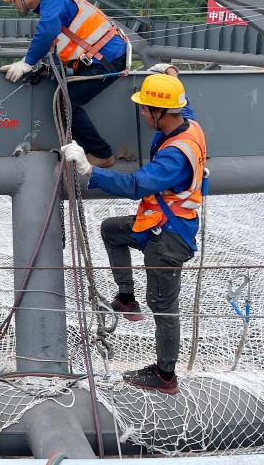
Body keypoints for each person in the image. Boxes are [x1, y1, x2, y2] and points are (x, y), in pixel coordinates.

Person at [61, 73, 207, 394]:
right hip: (155, 224)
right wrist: (170, 76)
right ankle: (126, 298)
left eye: (145, 108)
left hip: (169, 238)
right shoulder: (187, 124)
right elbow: (187, 106)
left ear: (161, 113)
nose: (141, 113)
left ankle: (165, 376)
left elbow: (136, 185)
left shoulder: (175, 154)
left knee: (163, 306)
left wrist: (89, 169)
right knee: (111, 230)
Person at [0, 0, 128, 166]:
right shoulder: (51, 4)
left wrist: (27, 63)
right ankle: (84, 149)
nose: (14, 3)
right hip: (103, 58)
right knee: (64, 99)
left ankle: (102, 154)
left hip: (107, 59)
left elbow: (47, 30)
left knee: (64, 102)